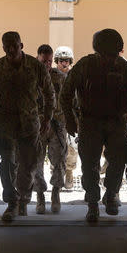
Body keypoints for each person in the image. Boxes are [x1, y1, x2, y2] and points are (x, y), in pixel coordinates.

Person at [60, 29, 127, 222]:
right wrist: (70, 119)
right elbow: (65, 94)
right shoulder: (85, 65)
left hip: (116, 123)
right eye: (107, 54)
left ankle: (111, 195)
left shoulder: (123, 68)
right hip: (90, 122)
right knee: (90, 164)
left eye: (113, 54)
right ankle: (92, 204)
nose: (110, 59)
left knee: (117, 161)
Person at [0, 31, 55, 222]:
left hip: (29, 125)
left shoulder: (36, 67)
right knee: (7, 165)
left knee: (28, 167)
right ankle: (12, 203)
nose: (11, 50)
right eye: (7, 46)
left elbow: (49, 94)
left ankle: (23, 201)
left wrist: (46, 119)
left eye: (14, 45)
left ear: (22, 45)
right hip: (4, 125)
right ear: (3, 47)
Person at [33, 44, 67, 214]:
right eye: (43, 61)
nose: (47, 64)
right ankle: (40, 196)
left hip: (57, 126)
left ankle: (55, 193)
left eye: (49, 61)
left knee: (59, 160)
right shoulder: (31, 77)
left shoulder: (60, 77)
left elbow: (70, 100)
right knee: (36, 162)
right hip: (37, 127)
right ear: (37, 58)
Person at [53, 46, 78, 190]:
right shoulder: (51, 75)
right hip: (56, 117)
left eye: (67, 60)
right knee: (56, 149)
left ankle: (69, 171)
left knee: (72, 148)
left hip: (71, 117)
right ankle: (57, 174)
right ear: (57, 61)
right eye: (61, 60)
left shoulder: (74, 76)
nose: (64, 63)